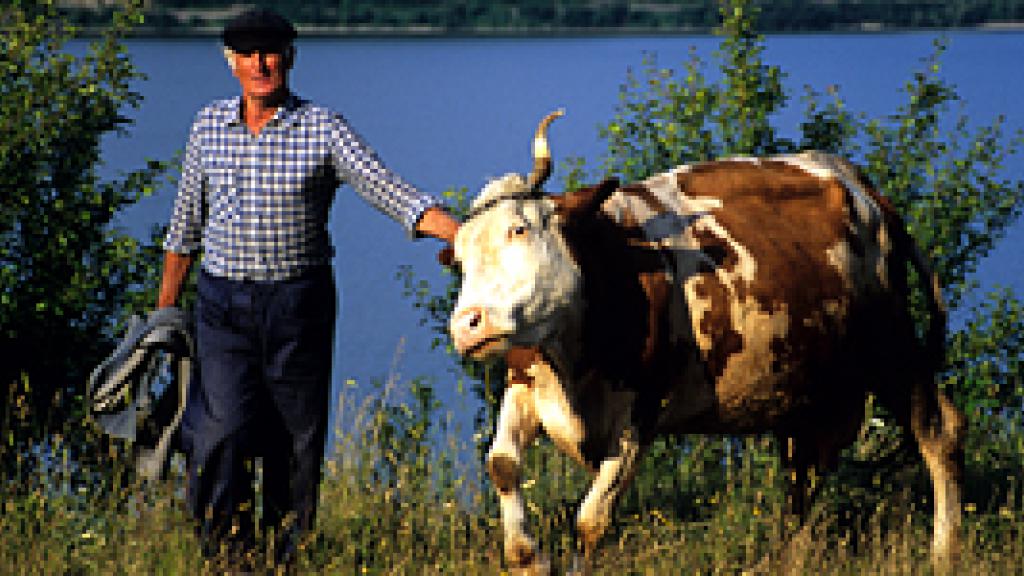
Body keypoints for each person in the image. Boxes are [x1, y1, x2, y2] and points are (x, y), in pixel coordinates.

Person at [156, 8, 459, 566]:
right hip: (222, 305)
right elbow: (184, 227)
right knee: (219, 432)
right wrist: (164, 316)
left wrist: (463, 236)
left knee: (294, 440)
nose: (261, 64)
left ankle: (283, 557)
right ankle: (225, 556)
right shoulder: (207, 126)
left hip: (299, 305)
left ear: (290, 58)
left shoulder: (323, 127)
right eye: (248, 54)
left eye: (271, 52)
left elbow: (387, 189)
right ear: (231, 63)